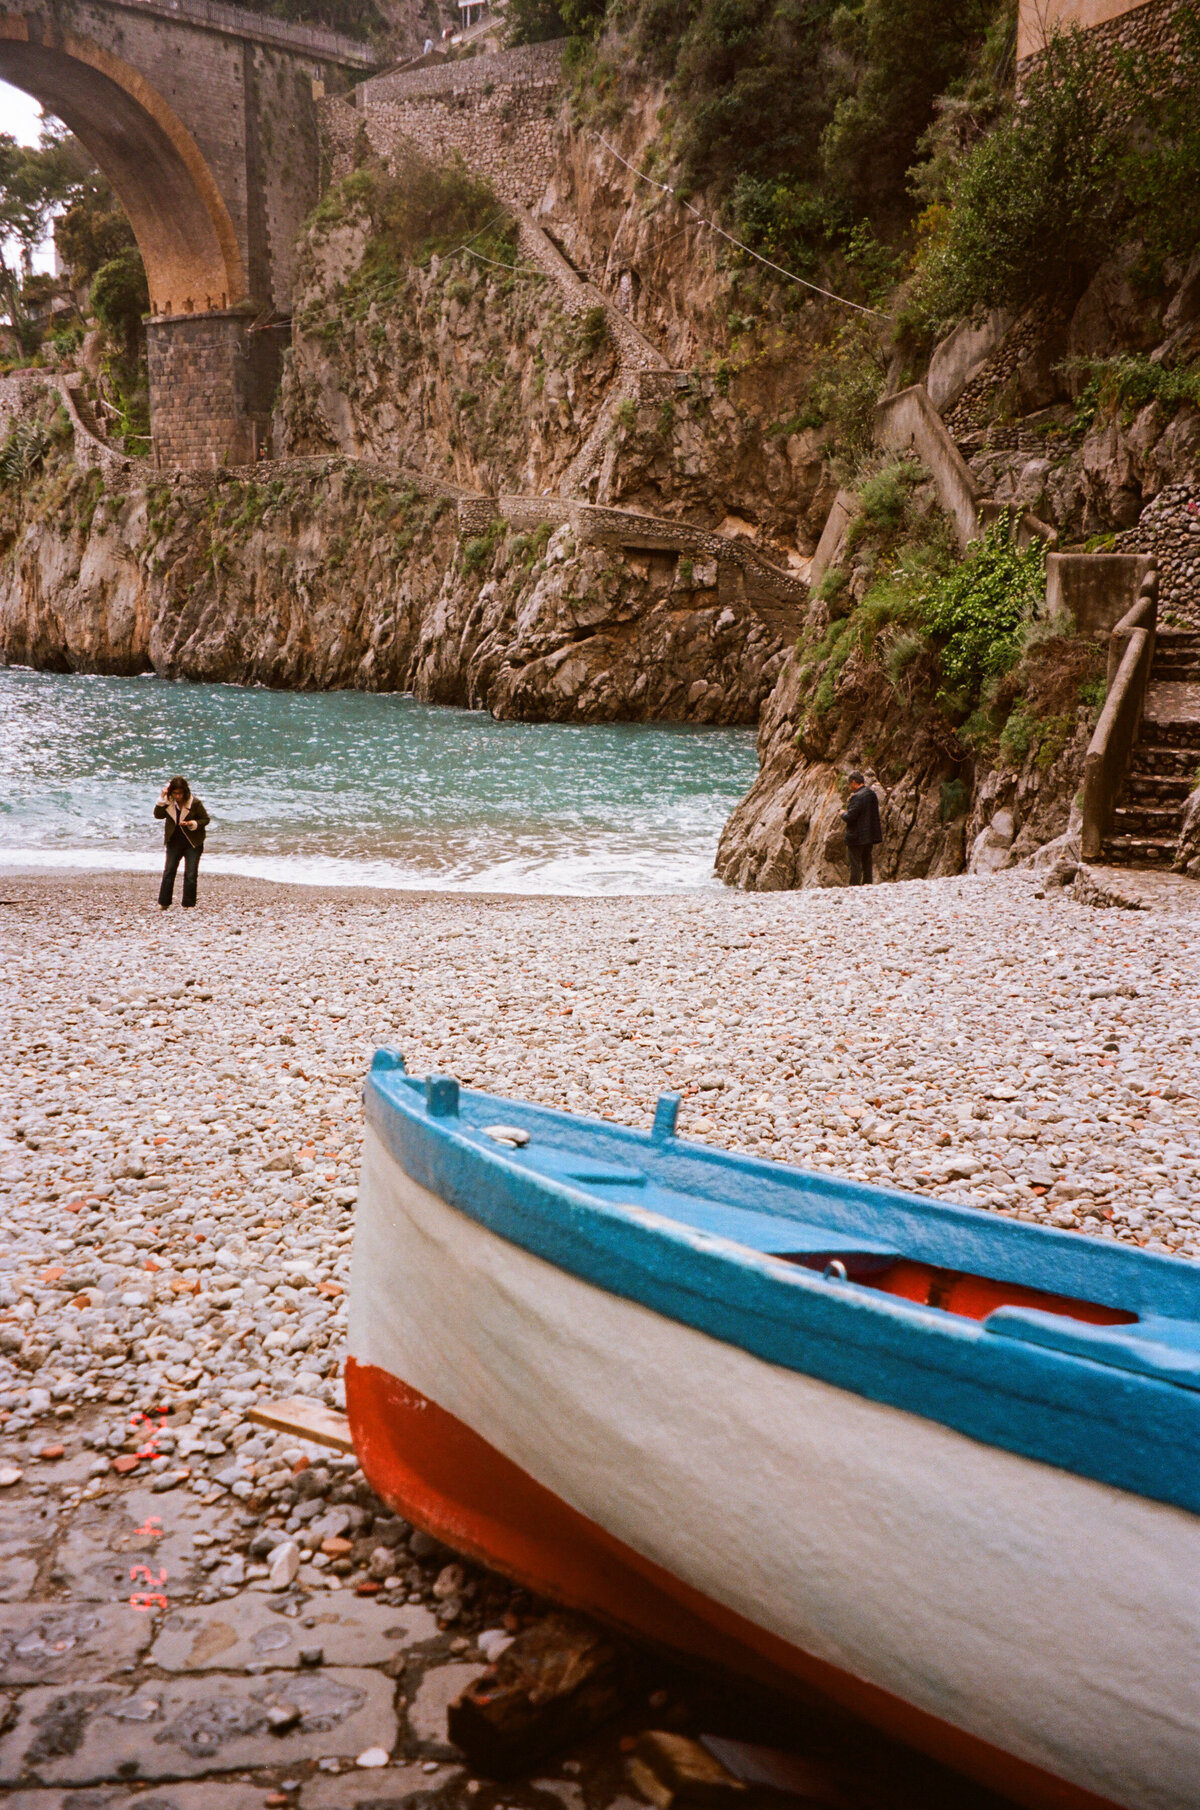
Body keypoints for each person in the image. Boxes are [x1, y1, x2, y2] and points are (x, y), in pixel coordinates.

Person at [154, 776, 210, 910]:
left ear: (185, 792)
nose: (178, 796)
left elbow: (205, 819)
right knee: (169, 871)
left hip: (193, 843)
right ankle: (164, 903)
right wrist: (162, 798)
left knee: (190, 874)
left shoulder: (194, 803)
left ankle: (188, 904)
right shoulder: (168, 802)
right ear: (171, 792)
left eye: (180, 793)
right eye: (175, 793)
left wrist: (192, 823)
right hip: (174, 842)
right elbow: (158, 815)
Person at [842, 770, 882, 886]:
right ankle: (868, 884)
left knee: (855, 863)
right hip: (869, 835)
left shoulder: (856, 797)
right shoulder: (871, 794)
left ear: (854, 782)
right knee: (867, 861)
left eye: (850, 784)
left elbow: (850, 817)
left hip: (856, 836)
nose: (850, 787)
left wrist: (842, 814)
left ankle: (854, 886)